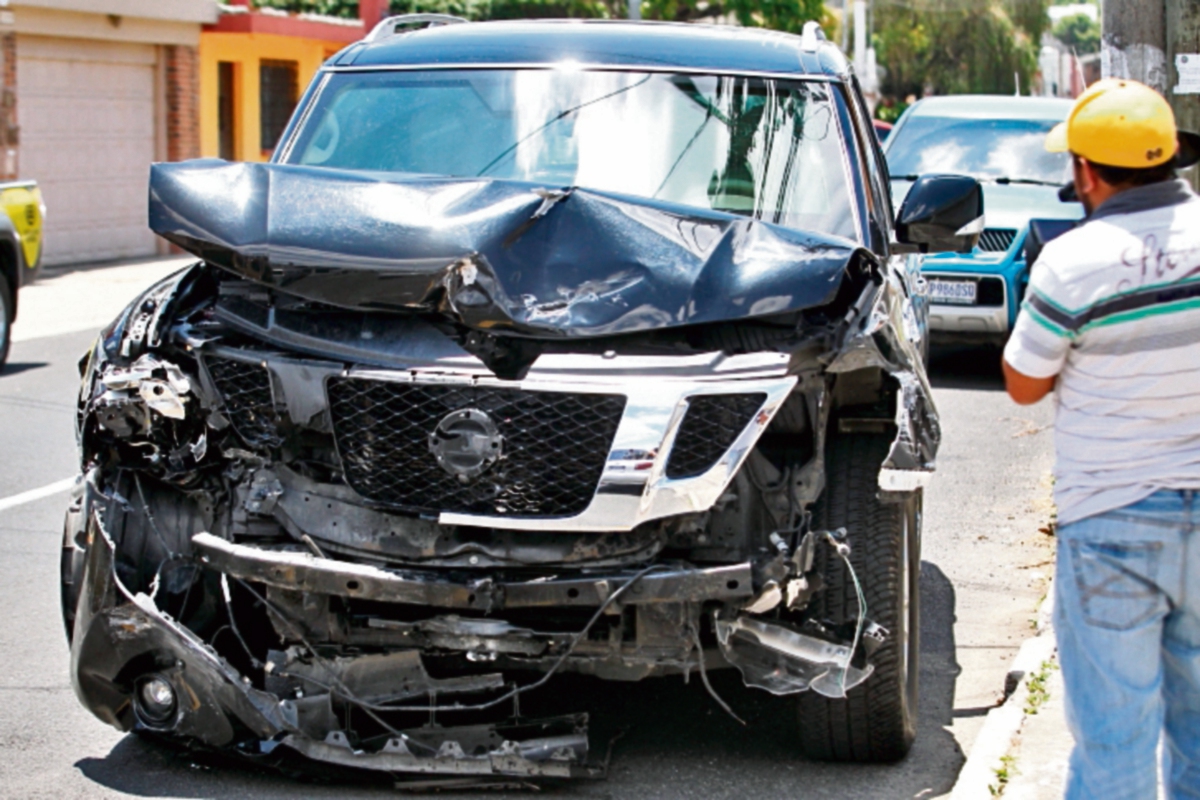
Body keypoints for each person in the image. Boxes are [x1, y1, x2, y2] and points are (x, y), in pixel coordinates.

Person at [1003, 77, 1200, 799]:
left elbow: (1024, 384)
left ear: (1085, 172)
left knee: (1115, 745)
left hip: (1113, 519)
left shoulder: (1074, 261)